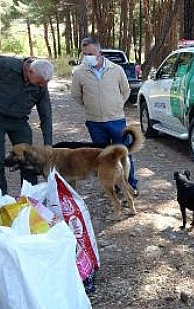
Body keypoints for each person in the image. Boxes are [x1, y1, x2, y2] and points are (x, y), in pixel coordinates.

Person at [0, 56, 54, 194]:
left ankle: (30, 197)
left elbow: (46, 114)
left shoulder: (41, 85)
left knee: (29, 160)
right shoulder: (4, 65)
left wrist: (48, 143)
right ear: (30, 72)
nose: (42, 86)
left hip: (19, 121)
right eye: (40, 83)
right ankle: (0, 198)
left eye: (45, 84)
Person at [71, 37, 138, 196]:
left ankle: (131, 184)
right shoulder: (80, 72)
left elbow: (126, 90)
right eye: (85, 53)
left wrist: (116, 106)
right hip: (95, 122)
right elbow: (76, 96)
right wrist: (91, 107)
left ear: (99, 52)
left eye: (91, 53)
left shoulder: (116, 69)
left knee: (124, 152)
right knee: (103, 156)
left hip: (116, 120)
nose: (88, 56)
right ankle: (112, 185)